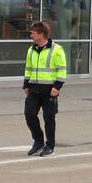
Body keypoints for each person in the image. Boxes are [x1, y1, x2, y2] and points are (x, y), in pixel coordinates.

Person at [23, 20, 66, 157]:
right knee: (29, 115)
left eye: (33, 33)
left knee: (49, 118)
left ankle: (50, 145)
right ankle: (38, 141)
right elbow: (28, 68)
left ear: (41, 34)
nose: (31, 35)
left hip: (49, 91)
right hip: (34, 90)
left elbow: (62, 69)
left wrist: (57, 87)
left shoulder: (56, 49)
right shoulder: (31, 50)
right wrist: (26, 84)